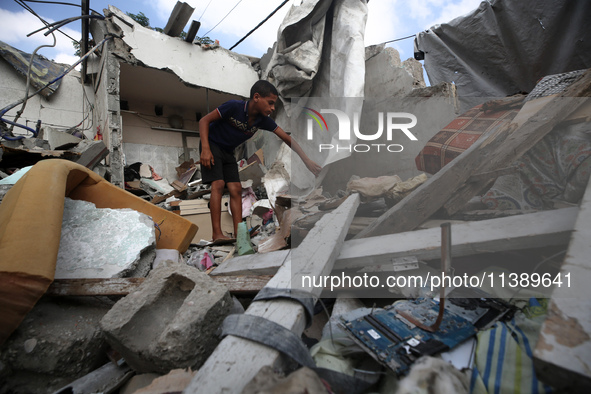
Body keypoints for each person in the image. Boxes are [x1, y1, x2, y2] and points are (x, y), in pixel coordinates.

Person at [199, 80, 322, 242]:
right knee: (219, 184)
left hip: (228, 151)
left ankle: (240, 235)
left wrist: (306, 160)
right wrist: (206, 149)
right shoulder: (234, 107)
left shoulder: (263, 120)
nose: (272, 108)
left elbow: (286, 138)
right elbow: (204, 121)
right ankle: (217, 234)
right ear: (256, 97)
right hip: (212, 144)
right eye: (270, 103)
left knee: (236, 188)